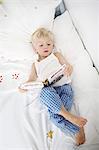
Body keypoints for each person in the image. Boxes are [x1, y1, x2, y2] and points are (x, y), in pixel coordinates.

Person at [19, 27, 87, 146]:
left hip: (64, 89)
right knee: (44, 92)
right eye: (41, 45)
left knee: (54, 117)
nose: (45, 47)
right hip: (50, 92)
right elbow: (31, 80)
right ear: (35, 48)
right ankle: (74, 123)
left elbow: (68, 66)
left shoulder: (56, 55)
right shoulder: (35, 65)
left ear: (53, 45)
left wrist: (67, 70)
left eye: (48, 44)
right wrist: (23, 87)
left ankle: (70, 119)